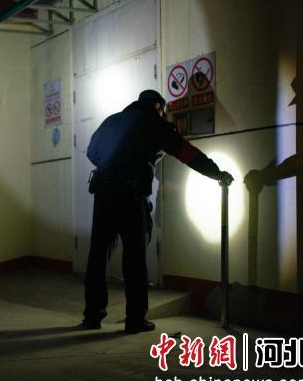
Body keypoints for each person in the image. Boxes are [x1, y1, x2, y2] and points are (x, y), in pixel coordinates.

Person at [83, 89, 233, 333]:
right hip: (131, 198)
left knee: (97, 257)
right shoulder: (156, 123)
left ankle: (92, 316)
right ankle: (135, 320)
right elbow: (188, 154)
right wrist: (217, 173)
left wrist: (114, 164)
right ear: (157, 107)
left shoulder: (111, 121)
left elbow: (91, 151)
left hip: (103, 195)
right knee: (134, 260)